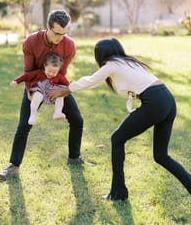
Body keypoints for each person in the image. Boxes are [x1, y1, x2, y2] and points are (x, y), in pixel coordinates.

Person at [48, 38, 191, 201]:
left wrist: (65, 90)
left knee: (117, 139)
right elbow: (96, 81)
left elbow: (90, 80)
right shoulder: (127, 62)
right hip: (167, 99)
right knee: (161, 156)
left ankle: (118, 192)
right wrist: (68, 89)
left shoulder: (112, 65)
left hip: (155, 102)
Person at [0, 10, 84, 181]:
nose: (61, 37)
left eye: (64, 33)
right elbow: (28, 71)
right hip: (35, 85)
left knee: (77, 120)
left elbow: (63, 72)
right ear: (48, 27)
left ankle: (74, 157)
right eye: (57, 33)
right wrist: (31, 90)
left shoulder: (69, 46)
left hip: (56, 84)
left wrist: (61, 90)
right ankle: (13, 166)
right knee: (24, 125)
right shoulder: (31, 42)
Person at [10, 53, 69, 125]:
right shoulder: (38, 73)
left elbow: (68, 85)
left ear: (58, 70)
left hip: (50, 93)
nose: (51, 74)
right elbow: (26, 76)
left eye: (54, 72)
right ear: (45, 66)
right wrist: (16, 81)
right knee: (38, 96)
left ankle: (57, 112)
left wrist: (65, 90)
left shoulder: (60, 77)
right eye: (49, 71)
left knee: (60, 95)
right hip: (37, 90)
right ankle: (33, 115)